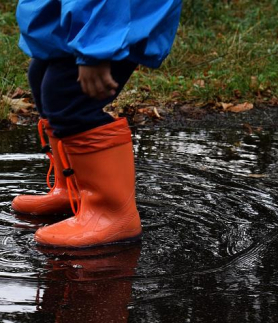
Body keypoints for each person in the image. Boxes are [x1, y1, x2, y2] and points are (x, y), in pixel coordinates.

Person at [12, 0, 182, 248]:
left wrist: (96, 48)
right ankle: (74, 190)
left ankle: (111, 214)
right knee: (41, 79)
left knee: (68, 97)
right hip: (79, 18)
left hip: (108, 21)